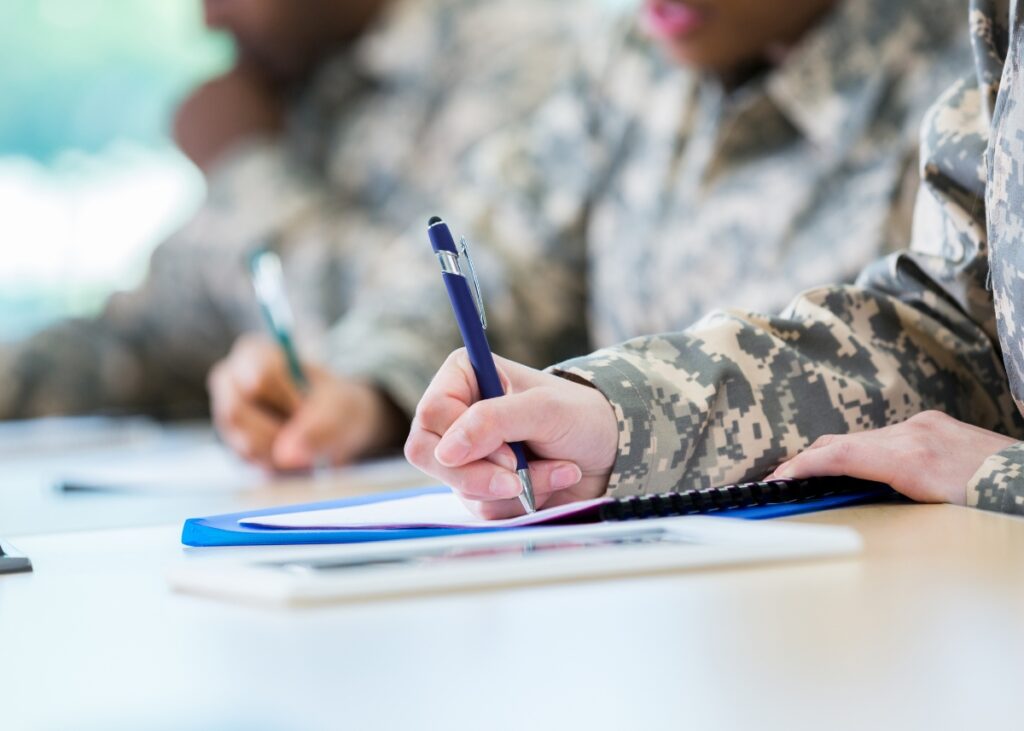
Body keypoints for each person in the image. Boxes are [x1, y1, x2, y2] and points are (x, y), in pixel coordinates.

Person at [211, 0, 970, 471]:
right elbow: (497, 256)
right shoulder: (631, 62)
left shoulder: (967, 79)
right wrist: (366, 388)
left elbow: (938, 371)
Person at [403, 0, 1024, 519]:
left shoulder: (931, 64)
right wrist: (621, 420)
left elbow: (960, 418)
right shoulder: (632, 57)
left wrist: (1001, 474)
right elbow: (956, 335)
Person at [0, 0, 585, 422]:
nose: (208, 19)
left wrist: (245, 169)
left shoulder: (521, 57)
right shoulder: (298, 77)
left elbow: (434, 325)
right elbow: (149, 337)